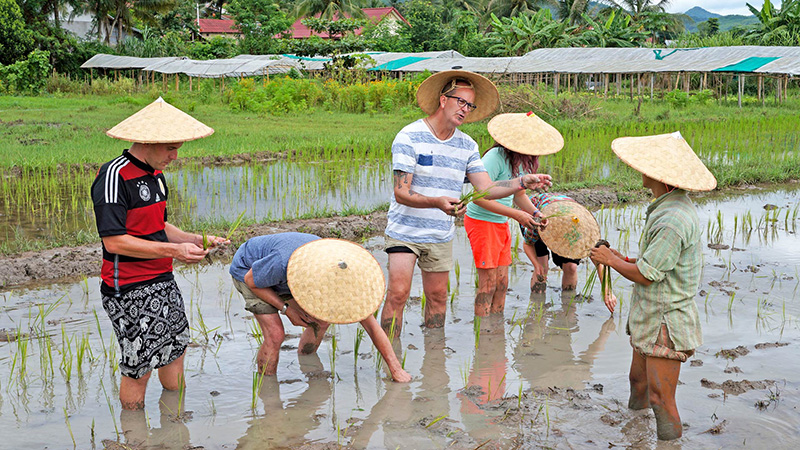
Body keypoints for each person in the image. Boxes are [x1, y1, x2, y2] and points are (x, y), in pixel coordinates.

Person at [381, 70, 552, 335]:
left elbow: (485, 189)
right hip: (406, 231)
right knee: (398, 294)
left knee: (438, 297)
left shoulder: (468, 145)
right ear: (443, 100)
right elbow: (401, 193)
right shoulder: (409, 136)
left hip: (440, 234)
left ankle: (434, 358)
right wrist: (436, 202)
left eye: (469, 105)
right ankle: (390, 354)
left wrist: (522, 182)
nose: (465, 109)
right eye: (460, 101)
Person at [91, 97, 227, 410]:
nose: (175, 156)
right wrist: (175, 250)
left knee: (175, 349)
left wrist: (195, 238)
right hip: (127, 285)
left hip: (162, 278)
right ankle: (134, 436)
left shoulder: (156, 176)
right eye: (170, 148)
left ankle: (175, 424)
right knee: (139, 366)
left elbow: (158, 225)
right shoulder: (114, 176)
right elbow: (115, 241)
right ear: (148, 142)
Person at [590, 132, 716, 440]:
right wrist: (620, 258)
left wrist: (610, 259)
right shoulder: (666, 206)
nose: (641, 169)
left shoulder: (672, 218)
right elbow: (656, 261)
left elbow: (647, 274)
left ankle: (669, 444)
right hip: (650, 315)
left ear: (659, 175)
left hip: (665, 321)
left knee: (661, 399)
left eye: (647, 166)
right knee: (638, 382)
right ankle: (635, 435)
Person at [229, 232, 411, 383]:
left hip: (285, 278)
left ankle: (306, 360)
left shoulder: (340, 273)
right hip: (250, 271)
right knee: (275, 335)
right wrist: (286, 309)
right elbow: (251, 281)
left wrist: (396, 370)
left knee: (320, 321)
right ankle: (267, 388)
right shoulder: (282, 261)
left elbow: (372, 326)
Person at [464, 112, 563, 316]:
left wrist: (536, 213)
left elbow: (518, 194)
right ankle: (482, 333)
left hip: (500, 223)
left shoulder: (516, 162)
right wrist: (516, 216)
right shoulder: (494, 157)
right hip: (482, 223)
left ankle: (496, 332)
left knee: (502, 283)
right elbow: (479, 197)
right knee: (488, 284)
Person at [520, 192, 581, 293]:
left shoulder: (580, 231)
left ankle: (568, 303)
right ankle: (537, 304)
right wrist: (536, 265)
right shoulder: (539, 223)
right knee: (542, 266)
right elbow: (527, 244)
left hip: (566, 209)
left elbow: (598, 259)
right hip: (536, 210)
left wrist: (607, 290)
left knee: (571, 267)